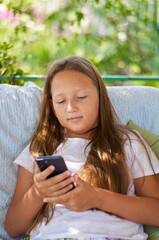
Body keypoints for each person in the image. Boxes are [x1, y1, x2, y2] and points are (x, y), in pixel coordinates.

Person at [5, 56, 159, 240]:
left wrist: (97, 198)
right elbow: (13, 228)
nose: (71, 107)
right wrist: (38, 193)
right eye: (61, 101)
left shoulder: (127, 141)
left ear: (100, 97)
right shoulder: (40, 148)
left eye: (81, 97)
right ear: (52, 107)